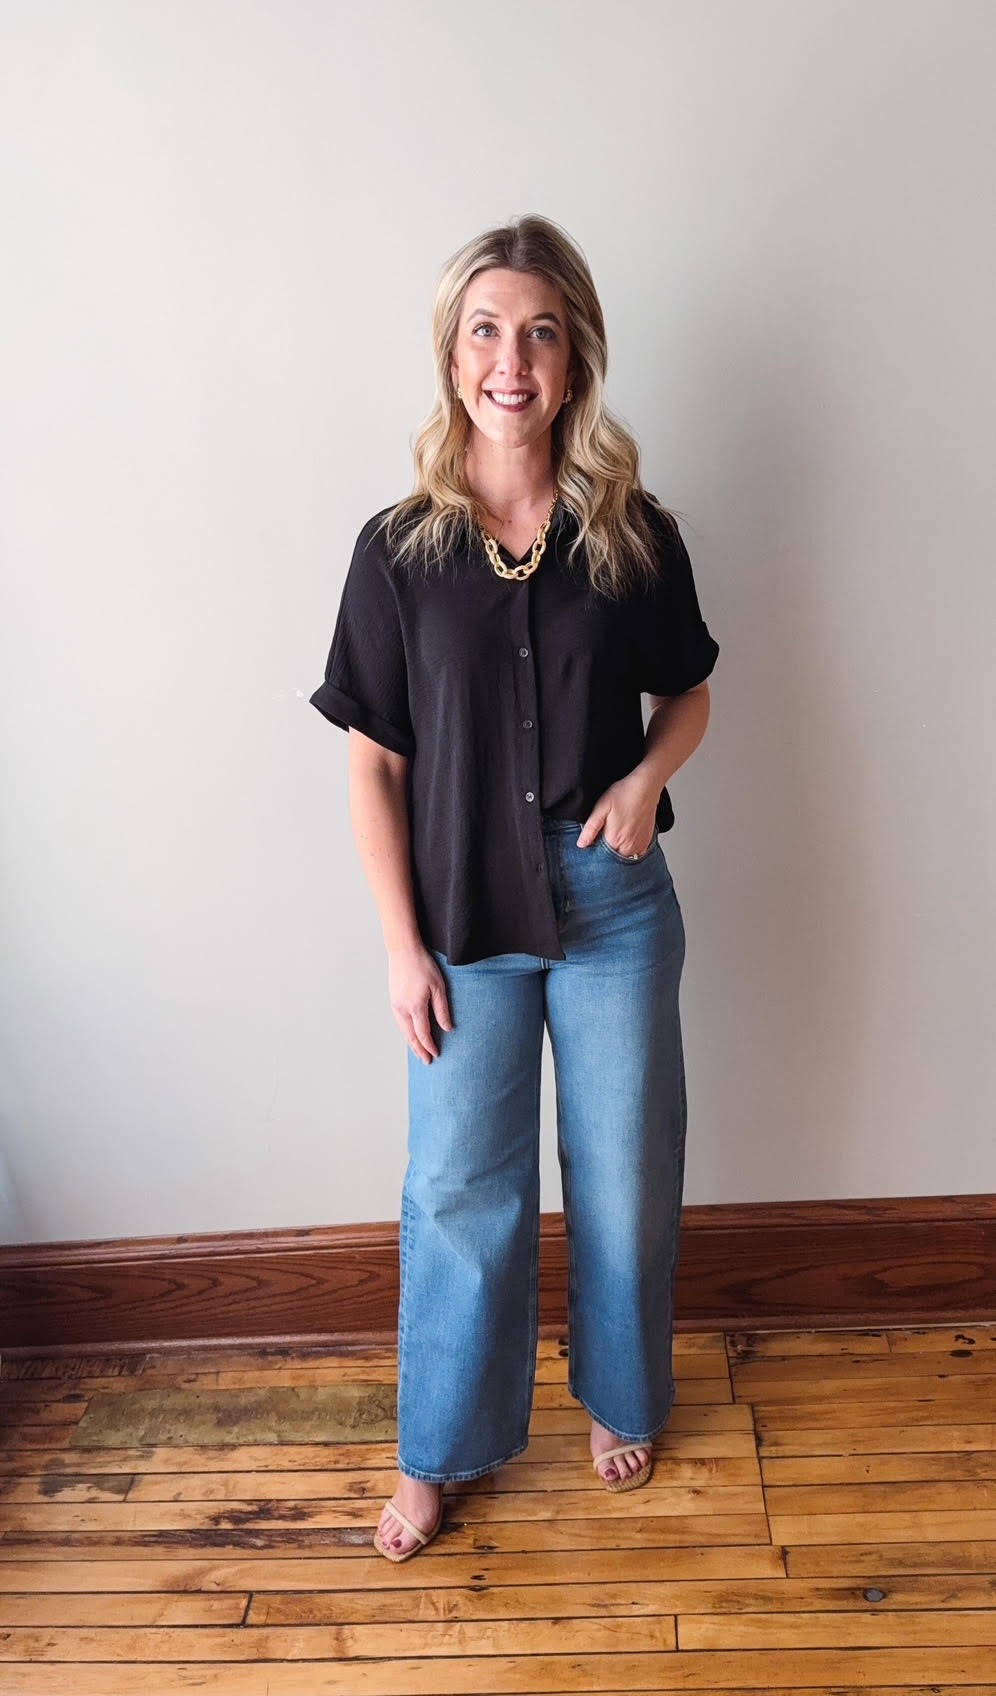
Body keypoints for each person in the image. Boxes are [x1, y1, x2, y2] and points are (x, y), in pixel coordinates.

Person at [310, 213, 719, 1562]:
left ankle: (620, 1394)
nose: (511, 357)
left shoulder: (629, 527)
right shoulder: (399, 551)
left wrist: (648, 779)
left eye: (540, 329)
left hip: (613, 904)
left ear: (573, 357)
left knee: (624, 1173)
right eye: (486, 328)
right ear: (451, 355)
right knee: (458, 1189)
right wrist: (398, 948)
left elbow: (691, 694)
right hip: (463, 916)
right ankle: (440, 1453)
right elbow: (373, 768)